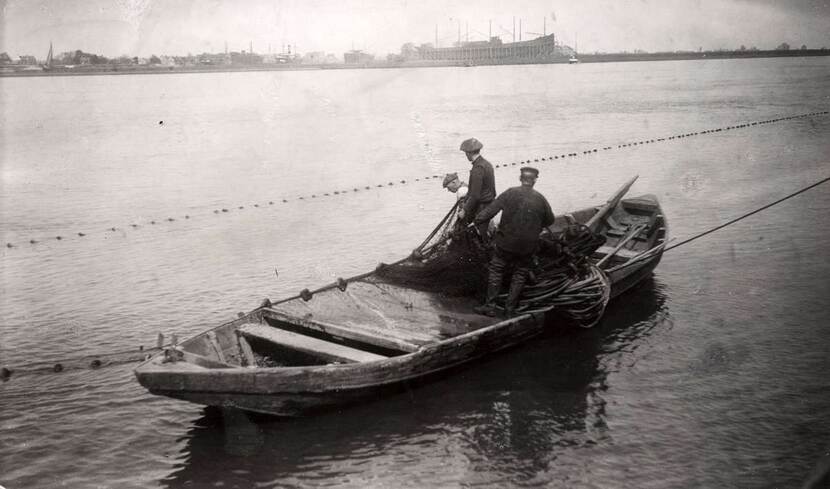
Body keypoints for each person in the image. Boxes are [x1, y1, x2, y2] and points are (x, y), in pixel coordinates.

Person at [472, 166, 555, 317]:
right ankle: (509, 309)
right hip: (528, 246)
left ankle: (490, 306)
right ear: (535, 180)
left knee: (496, 269)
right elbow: (550, 220)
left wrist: (476, 221)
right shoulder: (540, 198)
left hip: (506, 243)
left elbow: (490, 211)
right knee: (520, 274)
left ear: (520, 178)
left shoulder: (510, 193)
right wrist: (535, 226)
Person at [457, 138, 496, 240]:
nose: (466, 155)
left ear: (469, 153)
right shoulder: (487, 164)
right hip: (489, 205)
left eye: (466, 153)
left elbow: (475, 195)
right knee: (482, 233)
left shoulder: (477, 168)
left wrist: (464, 210)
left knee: (480, 235)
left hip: (482, 207)